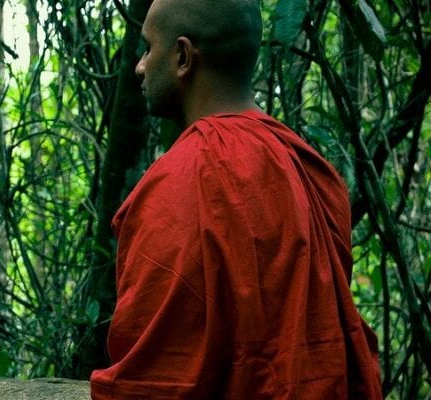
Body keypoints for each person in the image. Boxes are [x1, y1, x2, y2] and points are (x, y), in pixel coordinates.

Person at [88, 0, 383, 398]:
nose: (140, 66)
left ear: (182, 57)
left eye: (148, 48)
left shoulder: (176, 184)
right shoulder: (312, 170)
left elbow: (155, 378)